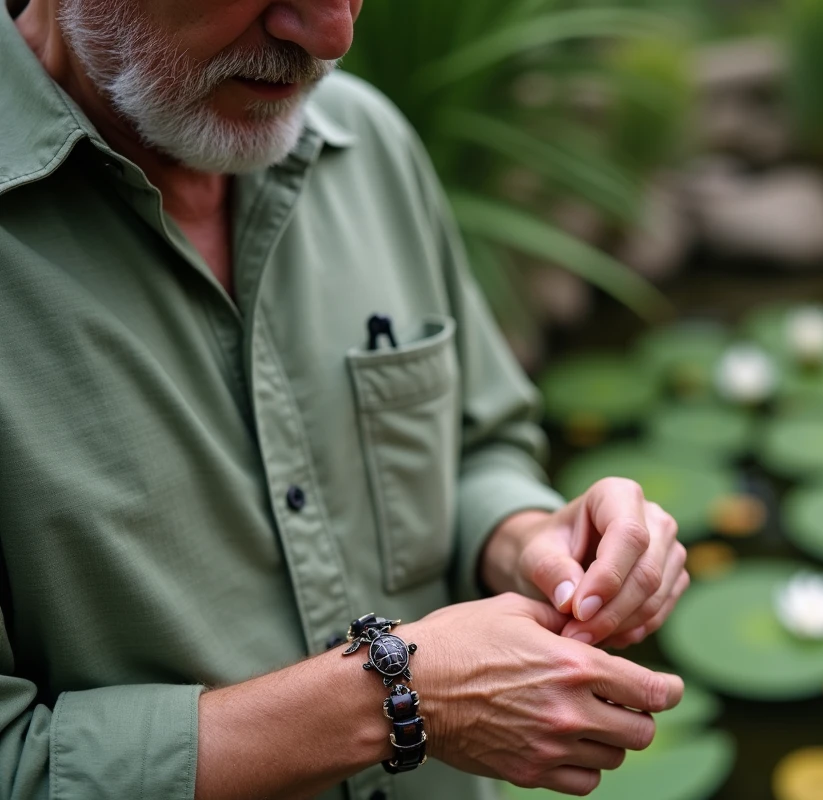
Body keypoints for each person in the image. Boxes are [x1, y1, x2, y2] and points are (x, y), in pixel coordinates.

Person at [0, 0, 691, 798]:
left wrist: (525, 537)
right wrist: (402, 697)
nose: (334, 37)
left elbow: (479, 442)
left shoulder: (370, 142)